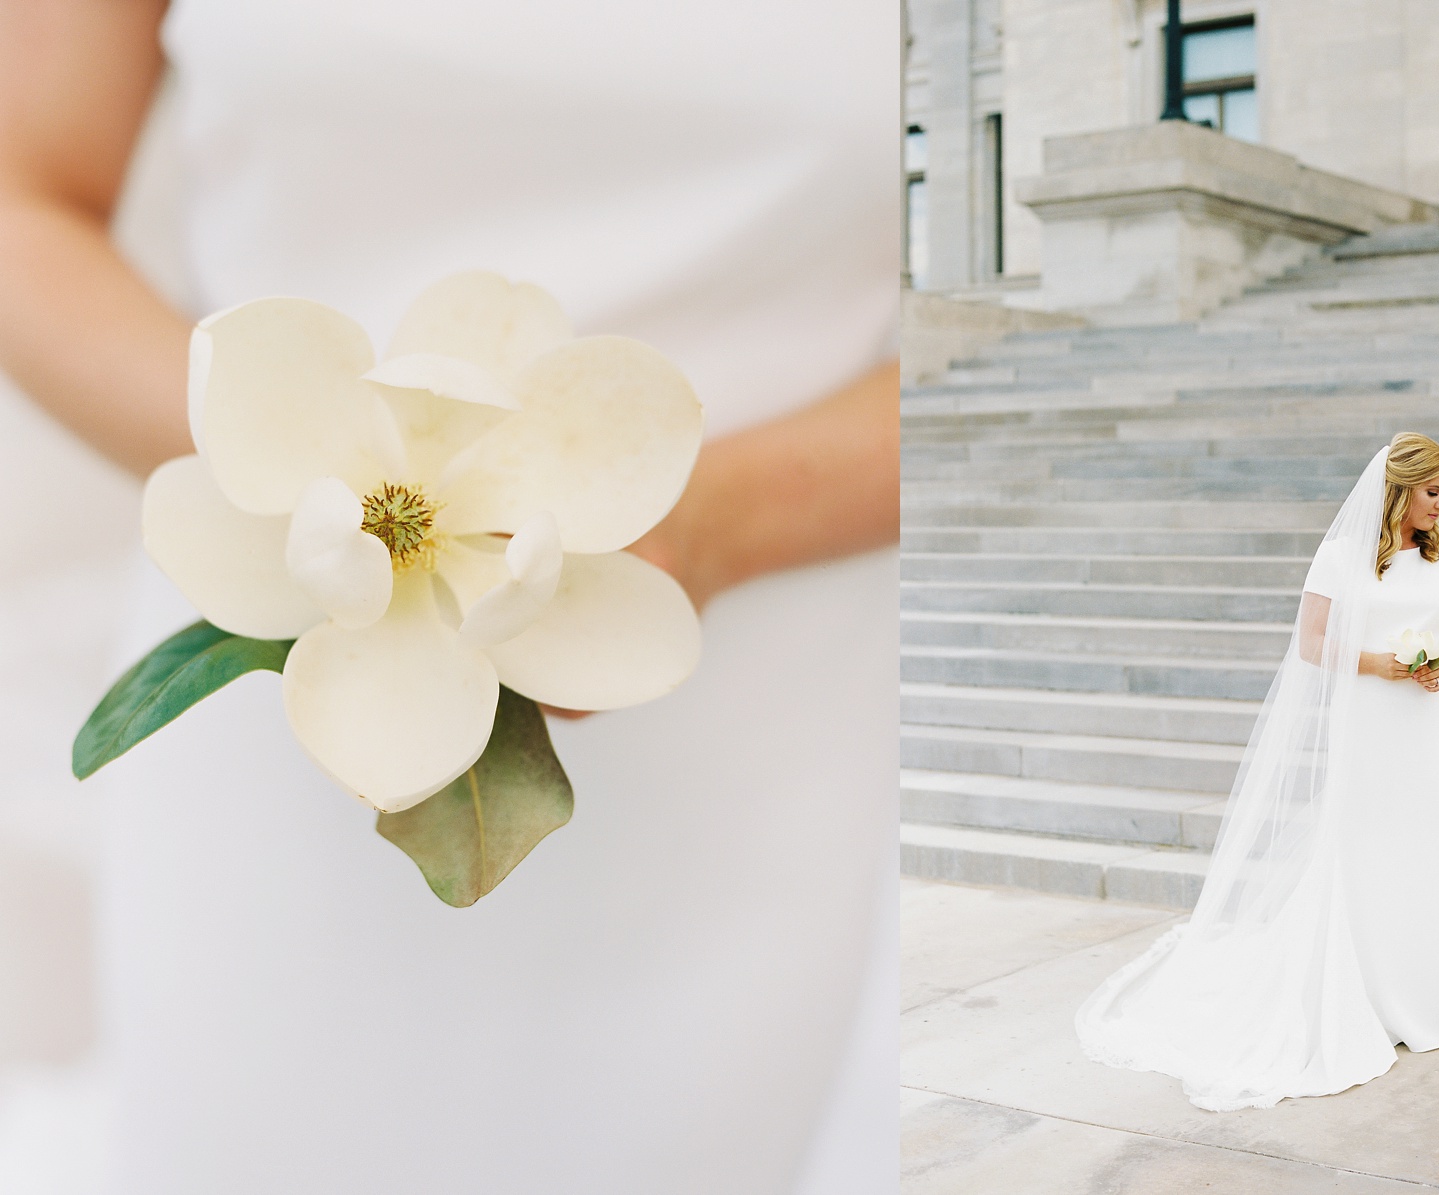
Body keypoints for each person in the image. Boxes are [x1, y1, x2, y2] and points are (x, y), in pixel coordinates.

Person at [0, 2, 897, 1191]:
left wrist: (710, 522)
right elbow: (23, 195)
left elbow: (1053, 295)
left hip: (761, 721)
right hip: (285, 691)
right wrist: (291, 481)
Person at [1075, 432, 1439, 1112]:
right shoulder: (1340, 555)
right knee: (1363, 845)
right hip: (1370, 722)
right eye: (1434, 493)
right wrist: (1381, 664)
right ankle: (1363, 989)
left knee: (1424, 846)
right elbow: (1311, 642)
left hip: (1427, 729)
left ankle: (1430, 985)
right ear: (1401, 488)